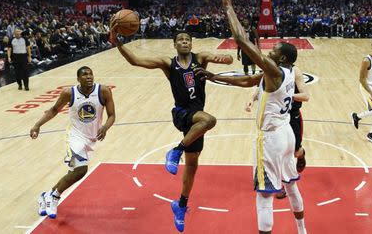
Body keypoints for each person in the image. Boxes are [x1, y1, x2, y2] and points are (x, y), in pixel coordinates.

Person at [196, 0, 306, 234]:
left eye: (275, 50)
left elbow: (240, 40)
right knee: (291, 185)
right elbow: (247, 80)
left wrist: (228, 6)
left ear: (283, 58)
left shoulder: (274, 70)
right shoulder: (286, 72)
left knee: (264, 195)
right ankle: (302, 230)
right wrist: (215, 77)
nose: (271, 50)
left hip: (272, 139)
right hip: (287, 134)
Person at [109, 23, 233, 232]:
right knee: (210, 120)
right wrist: (118, 42)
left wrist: (220, 59)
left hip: (196, 118)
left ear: (191, 43)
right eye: (180, 40)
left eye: (187, 39)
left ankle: (181, 205)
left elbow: (229, 59)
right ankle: (176, 150)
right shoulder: (168, 63)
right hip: (183, 114)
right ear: (174, 44)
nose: (184, 42)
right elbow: (136, 61)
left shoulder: (200, 58)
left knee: (192, 166)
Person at [30, 66, 116, 219]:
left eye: (90, 73)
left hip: (91, 138)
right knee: (81, 170)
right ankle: (54, 198)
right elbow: (54, 110)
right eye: (84, 74)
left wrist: (105, 127)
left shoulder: (103, 91)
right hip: (75, 136)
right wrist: (37, 125)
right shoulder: (69, 93)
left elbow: (112, 115)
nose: (88, 76)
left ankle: (46, 195)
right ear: (78, 79)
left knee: (73, 173)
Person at [245, 65, 310, 200]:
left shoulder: (295, 71)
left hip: (291, 117)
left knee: (294, 152)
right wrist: (251, 99)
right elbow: (261, 88)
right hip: (276, 120)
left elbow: (306, 96)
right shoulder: (271, 70)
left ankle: (301, 153)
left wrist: (285, 95)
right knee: (276, 153)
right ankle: (279, 185)